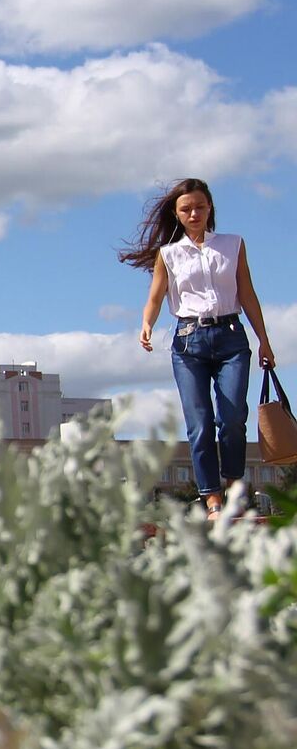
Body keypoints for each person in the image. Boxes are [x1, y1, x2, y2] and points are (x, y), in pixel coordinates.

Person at [128, 178, 277, 520]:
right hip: (188, 341)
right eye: (186, 209)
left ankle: (235, 488)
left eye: (200, 206)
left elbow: (247, 294)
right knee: (199, 423)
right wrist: (147, 324)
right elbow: (155, 297)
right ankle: (212, 500)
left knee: (233, 418)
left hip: (231, 338)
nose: (194, 213)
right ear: (177, 214)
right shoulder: (168, 254)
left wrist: (263, 339)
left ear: (210, 207)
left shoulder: (233, 244)